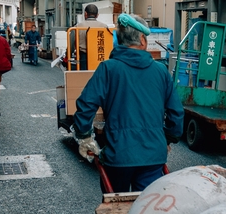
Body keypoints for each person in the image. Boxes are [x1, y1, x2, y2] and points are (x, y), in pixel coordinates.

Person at [73, 13, 184, 192]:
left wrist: (84, 136)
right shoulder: (161, 71)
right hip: (153, 157)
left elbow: (86, 104)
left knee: (116, 208)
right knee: (146, 211)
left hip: (118, 156)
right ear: (142, 40)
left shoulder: (108, 69)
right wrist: (168, 138)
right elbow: (176, 113)